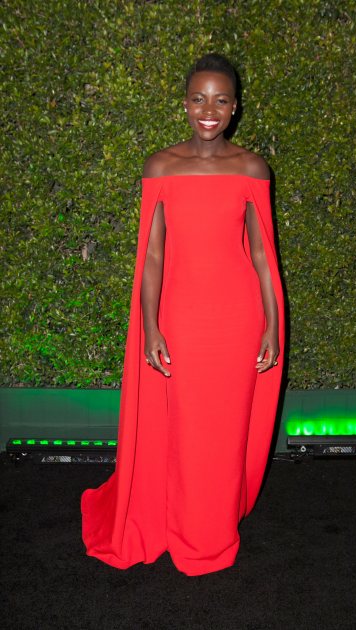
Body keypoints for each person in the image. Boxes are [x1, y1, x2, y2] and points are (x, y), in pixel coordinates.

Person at [81, 53, 285, 577]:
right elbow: (151, 254)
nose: (209, 110)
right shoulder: (161, 166)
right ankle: (175, 522)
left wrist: (272, 323)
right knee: (184, 428)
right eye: (199, 99)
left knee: (224, 428)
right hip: (182, 315)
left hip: (236, 319)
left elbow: (263, 254)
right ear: (185, 104)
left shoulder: (251, 168)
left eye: (220, 100)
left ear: (235, 108)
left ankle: (212, 533)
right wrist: (150, 324)